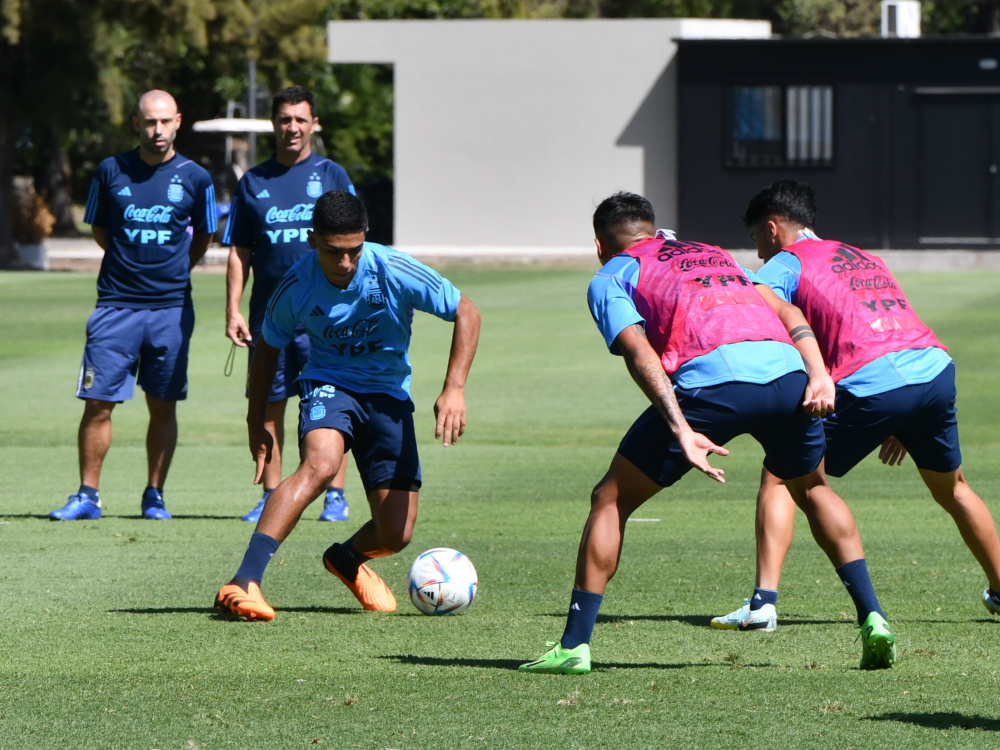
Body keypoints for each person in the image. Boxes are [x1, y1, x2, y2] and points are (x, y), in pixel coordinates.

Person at [519, 192, 895, 675]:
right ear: (653, 230)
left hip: (714, 385)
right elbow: (790, 314)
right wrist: (819, 375)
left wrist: (681, 429)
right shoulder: (714, 254)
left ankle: (574, 645)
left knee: (610, 498)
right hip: (788, 376)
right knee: (813, 487)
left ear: (599, 245)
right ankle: (873, 617)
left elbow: (639, 353)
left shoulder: (612, 274)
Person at [711, 179, 1000, 631]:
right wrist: (904, 413)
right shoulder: (861, 256)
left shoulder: (784, 263)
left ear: (771, 229)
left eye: (755, 240)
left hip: (873, 382)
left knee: (782, 472)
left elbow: (763, 316)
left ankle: (763, 603)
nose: (759, 253)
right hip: (931, 372)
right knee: (954, 487)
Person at [215, 190, 480, 621]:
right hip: (328, 385)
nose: (344, 263)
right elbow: (268, 348)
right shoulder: (297, 284)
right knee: (320, 465)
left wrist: (454, 388)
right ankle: (244, 581)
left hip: (388, 395)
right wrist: (255, 421)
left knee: (395, 534)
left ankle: (347, 557)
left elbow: (466, 312)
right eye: (332, 251)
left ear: (365, 238)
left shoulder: (393, 268)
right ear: (312, 240)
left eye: (354, 251)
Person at [50, 90, 217, 521]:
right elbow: (100, 229)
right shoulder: (111, 170)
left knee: (162, 405)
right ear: (136, 124)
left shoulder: (197, 177)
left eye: (164, 121)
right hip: (115, 305)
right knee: (97, 403)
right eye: (149, 122)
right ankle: (88, 496)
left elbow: (204, 236)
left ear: (177, 121)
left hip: (170, 309)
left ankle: (154, 496)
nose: (157, 130)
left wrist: (175, 268)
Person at [224, 86, 356, 523]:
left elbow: (354, 242)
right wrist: (233, 308)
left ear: (314, 123)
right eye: (285, 119)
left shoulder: (332, 174)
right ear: (274, 124)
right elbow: (240, 251)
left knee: (332, 402)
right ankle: (271, 493)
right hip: (270, 317)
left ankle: (335, 495)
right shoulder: (253, 181)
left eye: (301, 119)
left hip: (328, 316)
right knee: (269, 404)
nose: (293, 127)